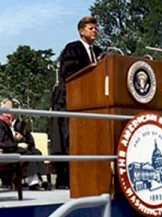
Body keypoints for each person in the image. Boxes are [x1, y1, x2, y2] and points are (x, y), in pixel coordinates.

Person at [49, 16, 103, 189]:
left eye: (95, 28)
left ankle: (87, 176)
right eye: (90, 28)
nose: (94, 31)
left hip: (90, 103)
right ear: (81, 31)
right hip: (68, 100)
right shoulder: (73, 48)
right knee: (67, 139)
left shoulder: (99, 52)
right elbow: (69, 72)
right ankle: (64, 179)